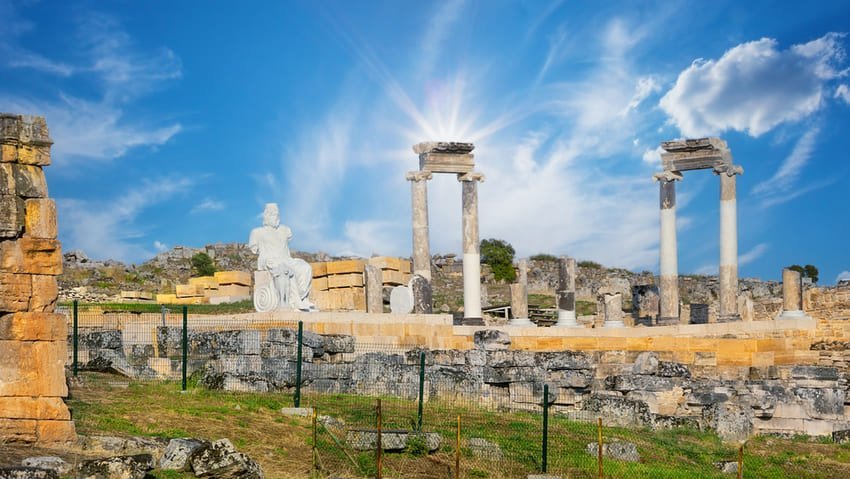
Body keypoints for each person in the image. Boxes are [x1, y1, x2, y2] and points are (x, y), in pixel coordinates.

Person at [248, 203, 317, 311]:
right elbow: (254, 249)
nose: (276, 216)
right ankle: (296, 302)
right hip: (270, 260)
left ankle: (302, 298)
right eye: (272, 214)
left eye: (277, 214)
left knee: (305, 267)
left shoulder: (285, 230)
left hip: (286, 259)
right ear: (266, 215)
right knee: (285, 270)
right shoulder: (257, 232)